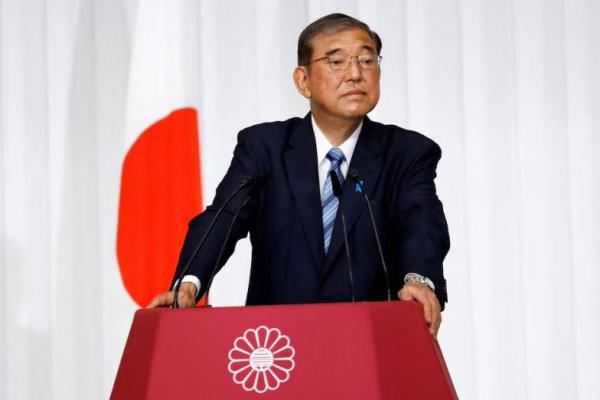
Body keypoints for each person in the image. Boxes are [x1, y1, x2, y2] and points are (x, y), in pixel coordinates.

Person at [148, 13, 450, 338]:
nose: (355, 73)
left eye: (366, 59)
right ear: (303, 80)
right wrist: (190, 282)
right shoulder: (265, 147)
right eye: (336, 61)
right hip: (277, 349)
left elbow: (421, 222)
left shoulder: (407, 152)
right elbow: (223, 218)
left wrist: (419, 279)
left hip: (371, 345)